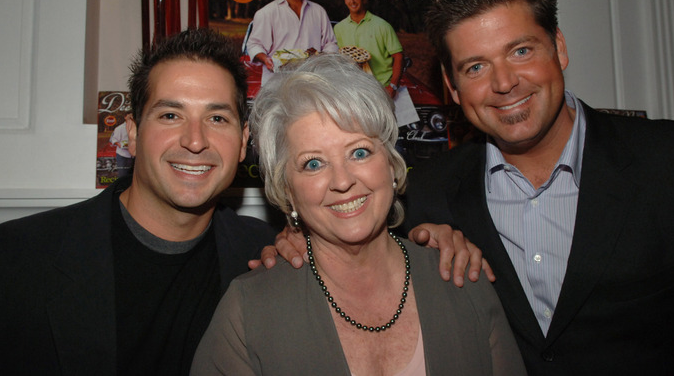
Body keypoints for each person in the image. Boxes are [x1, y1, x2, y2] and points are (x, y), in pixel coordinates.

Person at [402, 0, 674, 375]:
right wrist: (296, 243)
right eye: (476, 67)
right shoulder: (426, 197)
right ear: (452, 88)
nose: (504, 82)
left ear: (558, 48)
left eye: (521, 51)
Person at [0, 28, 277, 375]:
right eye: (170, 115)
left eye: (217, 118)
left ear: (243, 142)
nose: (195, 141)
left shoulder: (268, 256)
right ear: (133, 133)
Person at [190, 54, 525, 375]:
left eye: (359, 152)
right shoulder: (248, 311)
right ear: (287, 190)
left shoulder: (462, 279)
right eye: (313, 163)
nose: (343, 180)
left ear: (392, 165)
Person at [246, 0, 338, 84]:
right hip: (277, 82)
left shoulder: (318, 11)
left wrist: (321, 58)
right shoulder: (267, 12)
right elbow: (254, 44)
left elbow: (330, 43)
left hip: (312, 80)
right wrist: (265, 59)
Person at [334, 0, 404, 98]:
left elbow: (398, 56)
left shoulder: (382, 26)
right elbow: (339, 59)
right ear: (345, 0)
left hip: (381, 88)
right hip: (353, 91)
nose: (352, 1)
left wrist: (393, 86)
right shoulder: (339, 28)